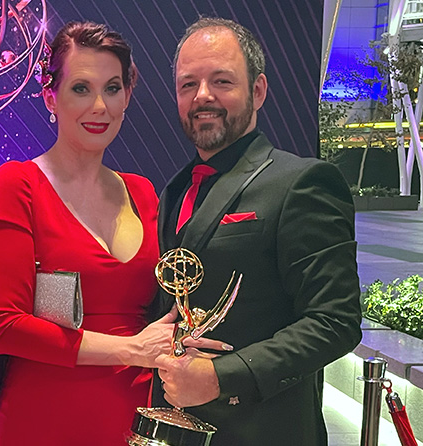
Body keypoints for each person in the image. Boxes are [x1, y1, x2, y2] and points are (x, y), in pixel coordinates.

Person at [0, 21, 229, 446]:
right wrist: (131, 350)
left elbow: (166, 302)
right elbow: (6, 325)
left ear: (127, 97)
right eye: (81, 88)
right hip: (44, 414)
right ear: (50, 96)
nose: (99, 106)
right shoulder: (18, 183)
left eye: (113, 88)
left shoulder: (143, 192)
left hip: (134, 415)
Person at [151, 17, 362, 446]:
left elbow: (336, 321)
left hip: (263, 431)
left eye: (221, 81)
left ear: (258, 90)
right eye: (188, 84)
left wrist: (222, 377)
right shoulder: (174, 190)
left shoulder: (302, 182)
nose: (202, 96)